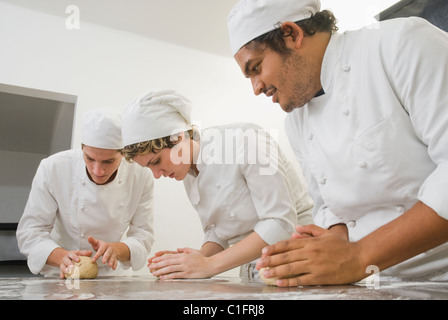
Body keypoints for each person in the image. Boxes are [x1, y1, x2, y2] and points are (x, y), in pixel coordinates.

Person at [227, 0, 448, 286]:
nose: (256, 88)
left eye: (255, 68)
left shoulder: (401, 44)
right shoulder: (296, 120)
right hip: (376, 283)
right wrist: (325, 245)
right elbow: (329, 208)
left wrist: (357, 256)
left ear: (291, 34)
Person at [120, 89, 313, 280]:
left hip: (298, 262)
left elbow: (279, 223)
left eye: (156, 162)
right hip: (253, 271)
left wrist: (210, 265)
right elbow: (218, 229)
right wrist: (197, 259)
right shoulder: (187, 169)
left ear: (178, 138)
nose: (156, 175)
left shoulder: (248, 140)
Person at [16, 109, 155, 278]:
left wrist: (117, 249)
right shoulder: (53, 168)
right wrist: (61, 257)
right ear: (82, 148)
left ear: (123, 154)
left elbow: (143, 234)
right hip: (64, 271)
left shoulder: (140, 175)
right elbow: (30, 232)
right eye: (89, 158)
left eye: (108, 161)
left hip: (111, 274)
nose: (98, 170)